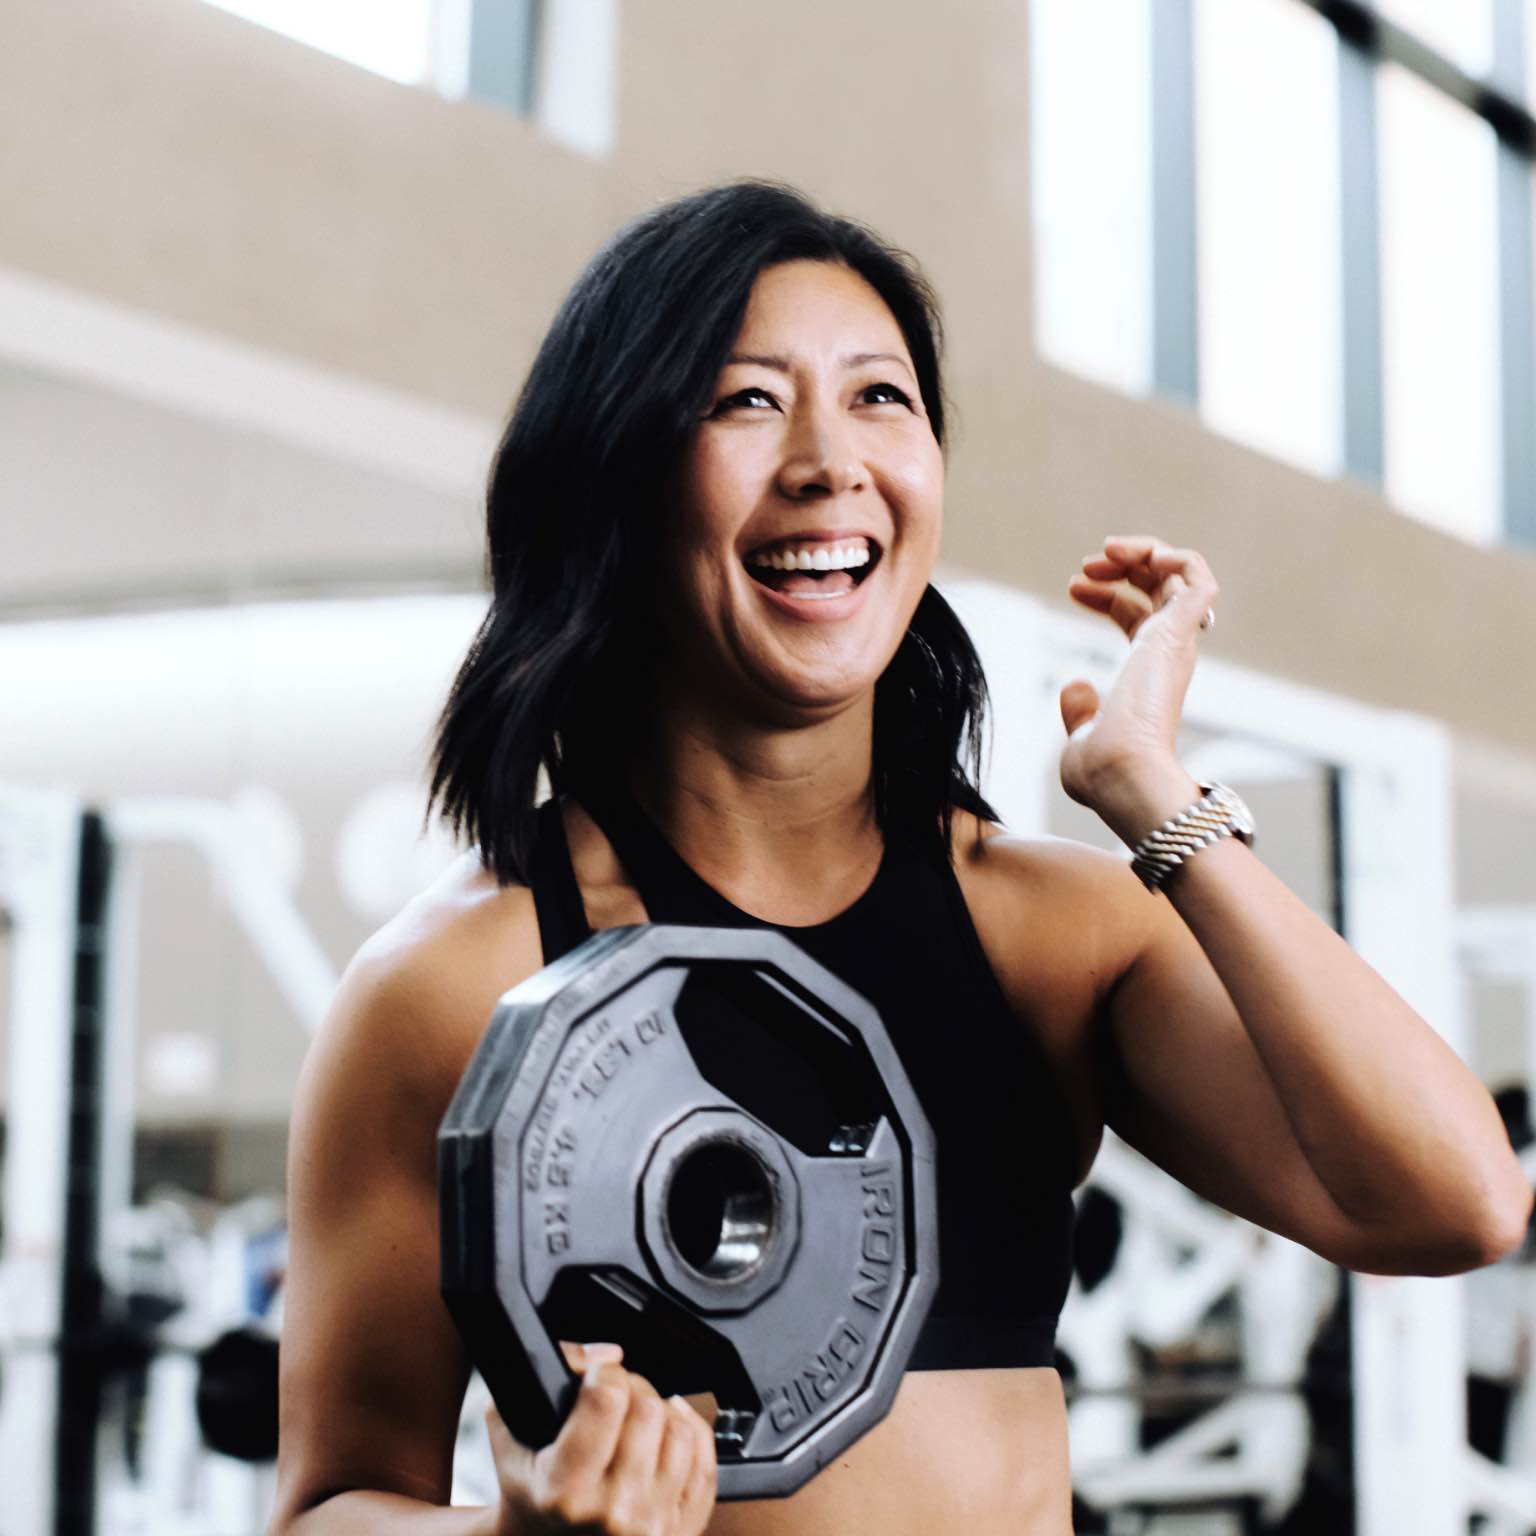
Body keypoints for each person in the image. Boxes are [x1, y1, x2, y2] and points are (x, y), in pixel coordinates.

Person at [269, 181, 1532, 1536]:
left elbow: (1453, 1203)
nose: (829, 460)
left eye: (882, 399)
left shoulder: (1046, 937)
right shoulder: (459, 987)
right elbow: (330, 1505)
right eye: (743, 401)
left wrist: (1154, 796)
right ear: (616, 471)